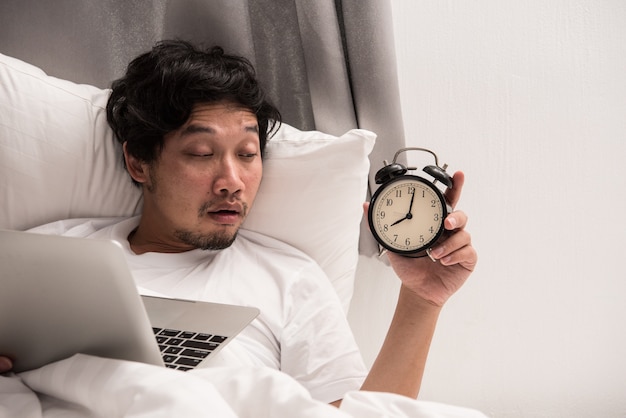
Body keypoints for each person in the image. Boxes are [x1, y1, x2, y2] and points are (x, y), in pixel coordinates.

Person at [0, 40, 477, 406]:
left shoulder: (290, 278)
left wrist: (421, 299)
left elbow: (356, 417)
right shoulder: (43, 257)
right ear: (139, 162)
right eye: (202, 154)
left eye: (248, 155)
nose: (232, 181)